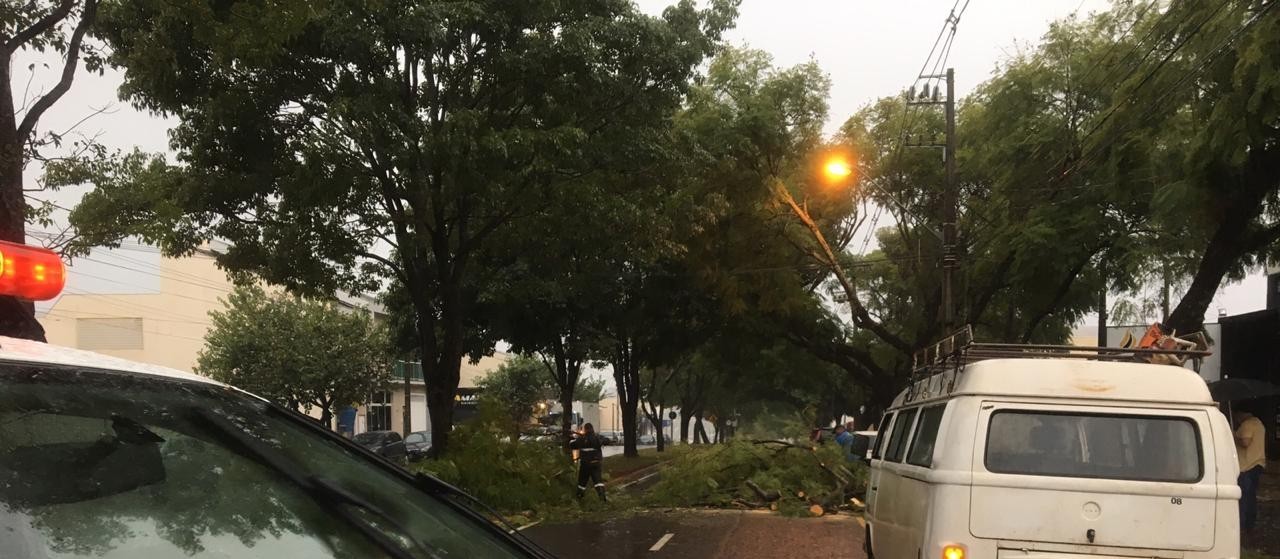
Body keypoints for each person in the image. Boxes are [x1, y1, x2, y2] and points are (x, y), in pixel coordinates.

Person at [1235, 409, 1266, 532]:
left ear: (1243, 413)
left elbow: (1245, 442)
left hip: (1246, 466)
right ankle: (1249, 524)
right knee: (1251, 497)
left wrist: (1234, 435)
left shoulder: (1247, 424)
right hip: (1257, 464)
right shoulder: (1259, 423)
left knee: (1243, 497)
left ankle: (1241, 526)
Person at [570, 422, 606, 501]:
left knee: (582, 482)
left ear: (585, 429)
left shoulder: (582, 439)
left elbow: (572, 445)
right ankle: (602, 498)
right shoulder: (597, 437)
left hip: (585, 464)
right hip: (596, 463)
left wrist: (572, 438)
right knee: (598, 481)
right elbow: (606, 441)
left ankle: (579, 498)